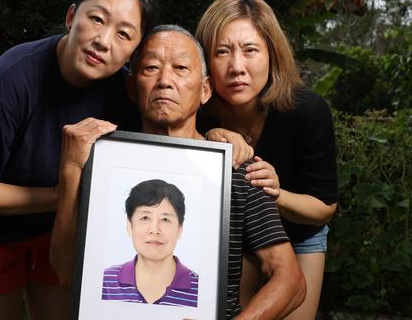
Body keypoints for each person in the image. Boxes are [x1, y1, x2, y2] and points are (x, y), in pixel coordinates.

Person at [0, 0, 158, 320]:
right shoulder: (13, 77)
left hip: (55, 230)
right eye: (96, 19)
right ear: (71, 17)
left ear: (134, 50)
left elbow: (175, 134)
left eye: (123, 34)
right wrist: (64, 193)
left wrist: (223, 135)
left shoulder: (124, 93)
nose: (104, 40)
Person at [53, 25, 306, 319]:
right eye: (150, 68)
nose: (165, 81)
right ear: (132, 88)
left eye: (181, 68)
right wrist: (71, 168)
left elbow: (290, 280)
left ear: (205, 90)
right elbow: (65, 272)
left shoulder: (237, 170)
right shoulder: (105, 163)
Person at [195, 0, 338, 319]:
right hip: (235, 237)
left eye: (250, 50)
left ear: (272, 54)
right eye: (221, 51)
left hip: (299, 233)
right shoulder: (199, 112)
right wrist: (209, 136)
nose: (236, 67)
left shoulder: (307, 110)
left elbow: (323, 209)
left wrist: (275, 194)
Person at [101, 179, 198, 308]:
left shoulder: (201, 290)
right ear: (130, 226)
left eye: (165, 219)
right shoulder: (105, 282)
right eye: (145, 218)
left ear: (179, 229)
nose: (154, 230)